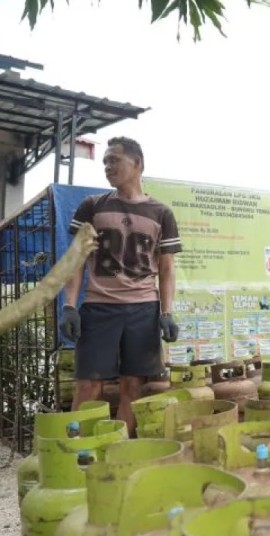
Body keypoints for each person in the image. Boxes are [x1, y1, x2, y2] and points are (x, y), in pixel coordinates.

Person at [59, 137, 181, 434]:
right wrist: (69, 306)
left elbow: (166, 268)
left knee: (133, 385)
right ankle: (75, 451)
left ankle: (119, 450)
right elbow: (76, 260)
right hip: (99, 307)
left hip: (143, 309)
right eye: (105, 161)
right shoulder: (92, 207)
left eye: (114, 160)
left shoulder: (161, 213)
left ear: (137, 164)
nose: (107, 167)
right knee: (89, 384)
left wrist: (167, 312)